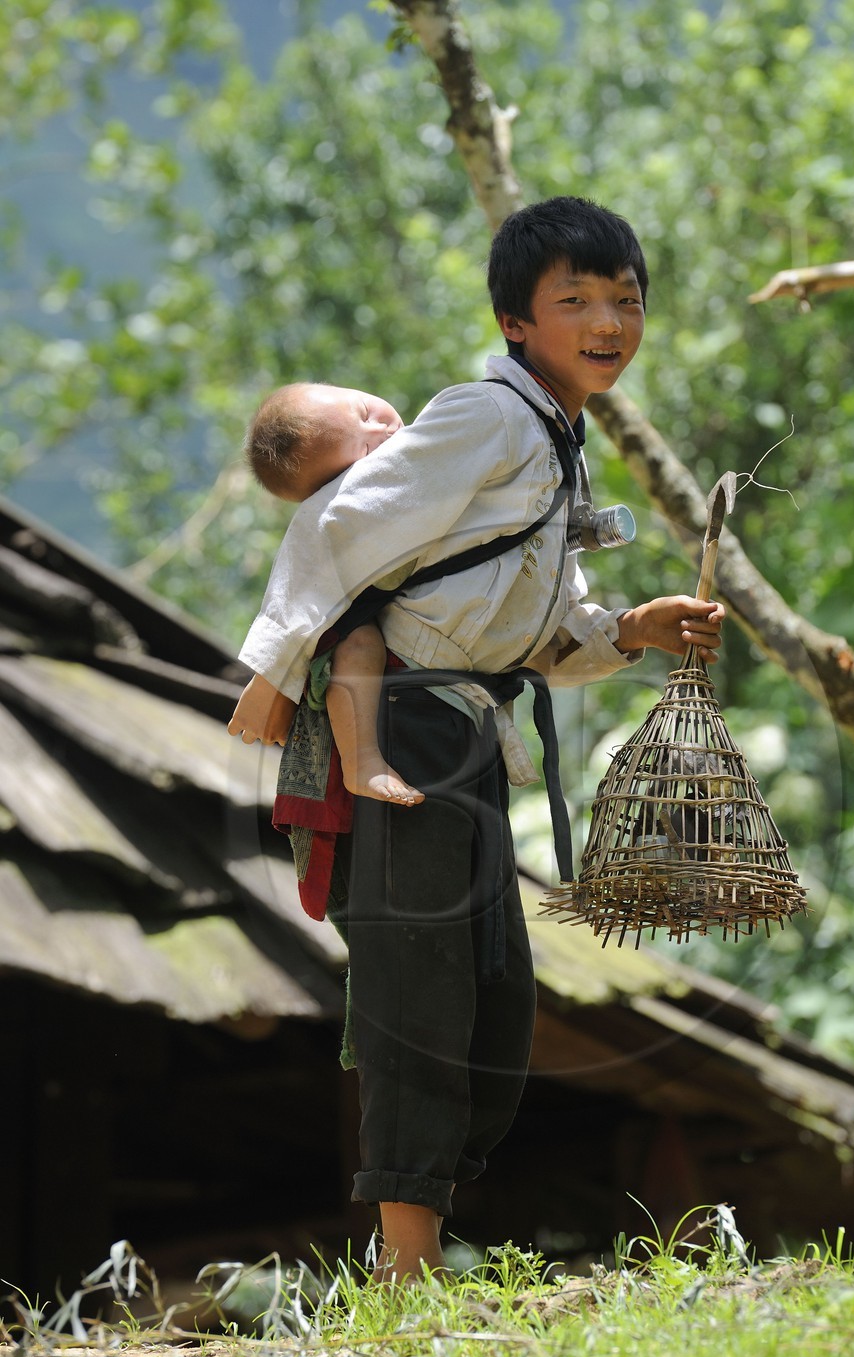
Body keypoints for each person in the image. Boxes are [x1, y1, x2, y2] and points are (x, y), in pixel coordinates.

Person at [231, 196, 725, 1284]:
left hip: (468, 732)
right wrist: (274, 670)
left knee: (495, 1010)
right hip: (404, 718)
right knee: (418, 993)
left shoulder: (555, 439)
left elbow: (539, 627)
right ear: (515, 321)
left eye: (625, 299)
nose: (609, 321)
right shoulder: (486, 416)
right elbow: (335, 523)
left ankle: (421, 1239)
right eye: (575, 300)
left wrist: (630, 630)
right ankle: (403, 1272)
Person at [230, 382, 424, 806]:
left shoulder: (438, 437)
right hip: (356, 626)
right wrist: (273, 672)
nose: (382, 431)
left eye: (364, 411)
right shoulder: (338, 512)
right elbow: (304, 575)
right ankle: (362, 762)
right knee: (358, 644)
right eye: (365, 452)